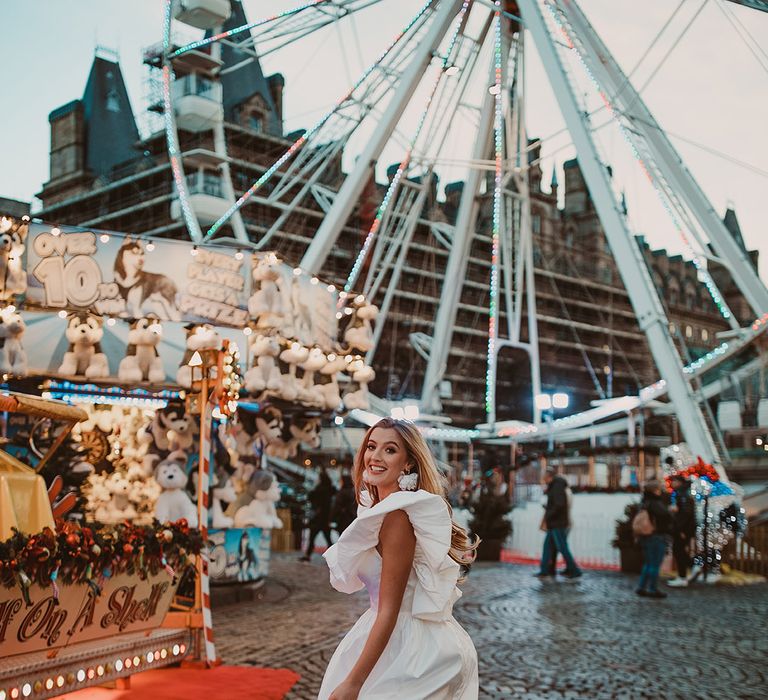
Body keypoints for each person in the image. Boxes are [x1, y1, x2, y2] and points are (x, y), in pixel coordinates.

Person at [319, 417, 479, 700]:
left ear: (408, 463)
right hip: (394, 633)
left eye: (389, 450)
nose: (375, 457)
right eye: (371, 446)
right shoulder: (381, 510)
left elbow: (390, 609)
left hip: (409, 647)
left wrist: (354, 683)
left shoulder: (397, 517)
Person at [535, 467, 581, 579]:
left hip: (557, 523)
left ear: (548, 476)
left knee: (562, 547)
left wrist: (549, 513)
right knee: (548, 546)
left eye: (543, 477)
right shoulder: (556, 486)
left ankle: (574, 570)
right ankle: (544, 569)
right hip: (554, 522)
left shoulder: (557, 486)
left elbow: (559, 504)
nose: (542, 479)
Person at [636, 480, 671, 599]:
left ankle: (641, 586)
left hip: (644, 536)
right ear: (655, 490)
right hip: (656, 536)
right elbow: (666, 516)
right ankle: (652, 588)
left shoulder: (644, 502)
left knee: (648, 563)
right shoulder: (655, 503)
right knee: (655, 564)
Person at [300, 468, 337, 562]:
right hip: (325, 518)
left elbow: (311, 497)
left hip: (318, 518)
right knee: (328, 539)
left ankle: (308, 555)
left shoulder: (320, 489)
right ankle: (334, 556)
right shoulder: (330, 489)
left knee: (313, 537)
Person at [667, 474, 696, 587]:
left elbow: (685, 513)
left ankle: (684, 575)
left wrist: (680, 529)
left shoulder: (682, 493)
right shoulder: (682, 493)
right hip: (682, 528)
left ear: (679, 482)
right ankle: (689, 570)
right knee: (679, 551)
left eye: (674, 481)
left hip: (682, 529)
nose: (672, 483)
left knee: (678, 551)